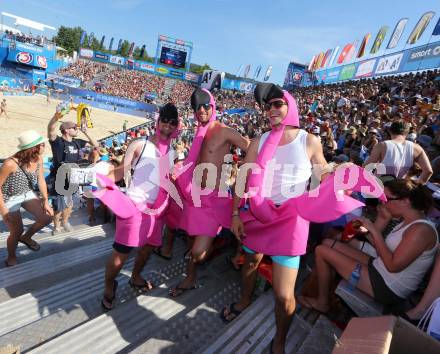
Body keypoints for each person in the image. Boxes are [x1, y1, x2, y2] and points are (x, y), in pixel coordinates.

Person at [222, 83, 382, 354]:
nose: (271, 110)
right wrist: (236, 213)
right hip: (258, 216)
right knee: (249, 264)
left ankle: (280, 341)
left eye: (277, 104)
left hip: (291, 221)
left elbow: (324, 176)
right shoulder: (259, 141)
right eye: (268, 105)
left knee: (284, 297)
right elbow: (243, 178)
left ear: (290, 106)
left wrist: (343, 178)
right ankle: (245, 300)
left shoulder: (308, 140)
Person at [298, 179, 438, 314]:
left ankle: (323, 303)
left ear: (405, 201)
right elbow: (386, 252)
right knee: (328, 243)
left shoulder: (420, 230)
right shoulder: (409, 221)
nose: (383, 202)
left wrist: (374, 231)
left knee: (321, 251)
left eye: (387, 199)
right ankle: (325, 290)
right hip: (380, 267)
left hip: (387, 286)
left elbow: (392, 266)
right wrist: (367, 233)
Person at [168, 88, 250, 297]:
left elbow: (251, 148)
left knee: (199, 252)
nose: (202, 110)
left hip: (214, 199)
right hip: (194, 196)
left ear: (213, 106)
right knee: (190, 242)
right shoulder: (199, 132)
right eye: (197, 107)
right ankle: (190, 278)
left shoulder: (223, 130)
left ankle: (217, 252)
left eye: (206, 105)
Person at [99, 103, 180, 310]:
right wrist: (101, 181)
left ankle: (135, 276)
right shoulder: (140, 145)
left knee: (148, 249)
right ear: (157, 121)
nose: (168, 127)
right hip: (134, 207)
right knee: (120, 256)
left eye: (172, 123)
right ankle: (109, 284)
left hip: (158, 210)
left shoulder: (173, 151)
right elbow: (121, 171)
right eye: (165, 122)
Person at [0, 130, 53, 266]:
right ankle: (11, 256)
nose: (44, 146)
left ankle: (27, 237)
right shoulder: (10, 164)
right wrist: (4, 212)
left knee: (46, 217)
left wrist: (45, 201)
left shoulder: (39, 159)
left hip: (26, 192)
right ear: (33, 148)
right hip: (9, 197)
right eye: (41, 144)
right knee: (17, 230)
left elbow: (41, 180)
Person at [47, 111, 98, 234]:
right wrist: (55, 118)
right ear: (66, 130)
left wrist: (86, 132)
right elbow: (50, 130)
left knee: (69, 203)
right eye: (74, 128)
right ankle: (56, 226)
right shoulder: (58, 142)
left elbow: (96, 146)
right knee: (58, 205)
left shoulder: (78, 142)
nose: (77, 130)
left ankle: (65, 222)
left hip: (73, 176)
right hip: (59, 177)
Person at [364, 121, 433, 184]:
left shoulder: (382, 145)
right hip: (400, 192)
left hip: (378, 189)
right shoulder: (418, 148)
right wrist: (415, 185)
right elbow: (428, 171)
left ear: (390, 131)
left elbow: (366, 167)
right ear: (407, 133)